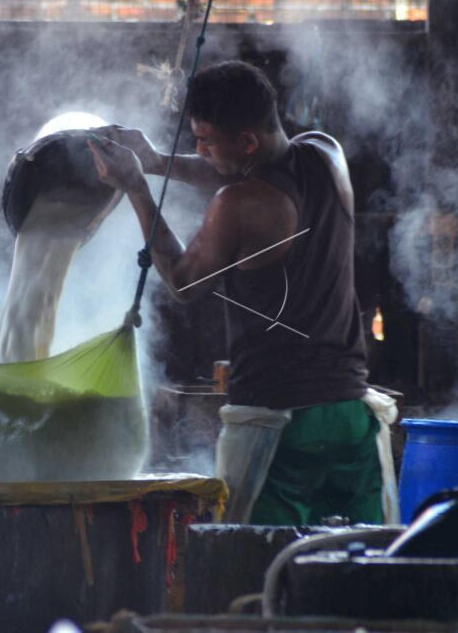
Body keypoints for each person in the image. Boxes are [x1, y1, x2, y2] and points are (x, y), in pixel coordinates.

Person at [87, 60, 396, 525]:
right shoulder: (325, 154)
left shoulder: (238, 204)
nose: (199, 149)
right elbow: (232, 170)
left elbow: (184, 283)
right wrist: (155, 162)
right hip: (350, 415)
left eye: (206, 141)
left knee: (260, 558)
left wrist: (137, 188)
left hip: (278, 426)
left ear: (248, 141)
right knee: (357, 554)